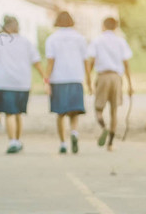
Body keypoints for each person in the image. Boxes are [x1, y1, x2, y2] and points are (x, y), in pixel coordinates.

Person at [0, 16, 45, 153]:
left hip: (5, 82)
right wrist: (44, 77)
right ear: (17, 27)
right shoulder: (26, 42)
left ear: (5, 28)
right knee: (18, 113)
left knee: (9, 113)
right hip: (22, 83)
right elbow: (36, 61)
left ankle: (13, 141)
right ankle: (18, 141)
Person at [45, 11, 91, 154]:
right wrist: (88, 80)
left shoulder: (52, 39)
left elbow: (50, 62)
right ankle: (74, 133)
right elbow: (86, 61)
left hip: (58, 79)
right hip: (76, 78)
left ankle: (63, 143)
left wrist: (46, 80)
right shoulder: (80, 38)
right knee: (74, 112)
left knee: (60, 113)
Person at [87, 17, 133, 151]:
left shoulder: (97, 40)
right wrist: (130, 84)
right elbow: (126, 64)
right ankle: (111, 143)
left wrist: (88, 80)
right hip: (116, 77)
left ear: (103, 26)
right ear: (116, 27)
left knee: (98, 109)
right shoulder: (121, 41)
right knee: (114, 111)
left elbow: (91, 61)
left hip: (102, 77)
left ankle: (104, 127)